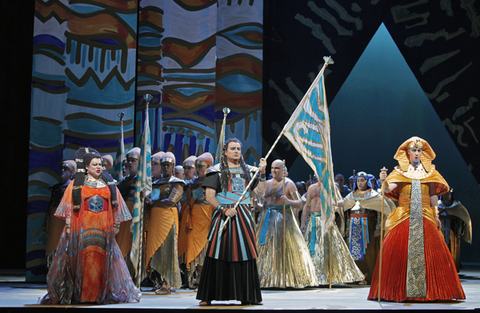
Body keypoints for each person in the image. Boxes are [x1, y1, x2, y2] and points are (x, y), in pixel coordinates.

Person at [368, 136, 465, 302]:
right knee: (397, 252)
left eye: (419, 150)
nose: (417, 153)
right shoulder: (398, 171)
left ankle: (434, 291)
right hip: (403, 214)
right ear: (407, 152)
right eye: (413, 150)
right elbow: (389, 189)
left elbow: (433, 195)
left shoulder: (430, 172)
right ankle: (396, 290)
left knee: (433, 252)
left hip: (425, 214)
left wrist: (436, 214)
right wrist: (383, 182)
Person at [40, 147, 141, 304]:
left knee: (101, 261)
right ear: (86, 167)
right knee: (84, 261)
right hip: (82, 227)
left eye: (100, 164)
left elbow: (116, 207)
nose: (99, 167)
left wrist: (117, 225)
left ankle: (99, 294)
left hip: (103, 229)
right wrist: (68, 226)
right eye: (95, 164)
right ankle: (83, 295)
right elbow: (68, 205)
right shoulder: (76, 185)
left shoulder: (109, 185)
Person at [196, 138, 266, 306]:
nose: (236, 151)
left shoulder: (250, 170)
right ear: (225, 152)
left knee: (244, 251)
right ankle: (208, 295)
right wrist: (224, 210)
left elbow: (261, 193)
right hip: (224, 215)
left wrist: (262, 173)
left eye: (239, 149)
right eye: (233, 148)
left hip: (244, 216)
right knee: (218, 251)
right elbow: (209, 196)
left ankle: (247, 295)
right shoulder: (216, 171)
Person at [255, 160, 318, 288]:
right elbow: (263, 203)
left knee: (283, 248)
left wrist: (288, 201)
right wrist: (258, 206)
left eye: (277, 168)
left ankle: (285, 277)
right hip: (267, 218)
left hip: (284, 218)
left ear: (283, 169)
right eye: (272, 168)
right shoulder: (266, 184)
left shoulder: (289, 184)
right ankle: (266, 278)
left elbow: (300, 203)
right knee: (266, 249)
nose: (274, 170)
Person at [301, 180, 365, 285]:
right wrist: (303, 223)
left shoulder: (332, 187)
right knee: (312, 250)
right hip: (313, 221)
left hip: (326, 220)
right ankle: (312, 276)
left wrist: (331, 202)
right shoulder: (311, 188)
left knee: (327, 249)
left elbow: (342, 202)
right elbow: (307, 206)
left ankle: (327, 275)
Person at [343, 171, 393, 284]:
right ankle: (354, 276)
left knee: (368, 253)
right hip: (353, 226)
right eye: (358, 180)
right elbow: (345, 213)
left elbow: (382, 212)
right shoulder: (350, 196)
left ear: (367, 182)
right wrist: (346, 228)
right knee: (353, 253)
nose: (360, 183)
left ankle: (368, 275)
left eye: (362, 180)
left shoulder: (375, 195)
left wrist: (379, 227)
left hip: (369, 226)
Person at [145, 152, 184, 294]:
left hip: (168, 218)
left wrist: (153, 202)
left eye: (168, 165)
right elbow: (151, 198)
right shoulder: (156, 183)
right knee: (157, 250)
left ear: (173, 166)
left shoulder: (177, 182)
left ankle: (167, 284)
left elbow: (172, 200)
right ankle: (160, 280)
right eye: (163, 165)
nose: (166, 167)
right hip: (155, 219)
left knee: (168, 249)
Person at [180, 153, 214, 290]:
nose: (197, 169)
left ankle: (202, 278)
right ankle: (194, 277)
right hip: (193, 217)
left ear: (208, 167)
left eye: (200, 166)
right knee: (193, 247)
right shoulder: (192, 183)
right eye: (197, 166)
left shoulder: (213, 181)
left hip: (206, 216)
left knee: (203, 248)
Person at [42, 160, 76, 268]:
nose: (62, 171)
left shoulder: (73, 187)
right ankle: (53, 272)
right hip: (54, 218)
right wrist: (45, 223)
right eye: (61, 168)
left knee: (65, 245)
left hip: (66, 219)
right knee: (53, 244)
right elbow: (50, 206)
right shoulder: (56, 188)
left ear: (71, 173)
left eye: (66, 169)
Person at [438, 187, 472, 272]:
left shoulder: (457, 206)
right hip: (440, 231)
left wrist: (459, 232)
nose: (446, 196)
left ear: (451, 195)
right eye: (444, 194)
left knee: (452, 250)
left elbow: (462, 219)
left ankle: (452, 268)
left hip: (452, 232)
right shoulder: (437, 205)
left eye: (448, 194)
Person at [116, 147, 140, 259]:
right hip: (121, 217)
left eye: (133, 160)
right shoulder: (122, 182)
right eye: (129, 160)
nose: (130, 163)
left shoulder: (143, 181)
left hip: (134, 218)